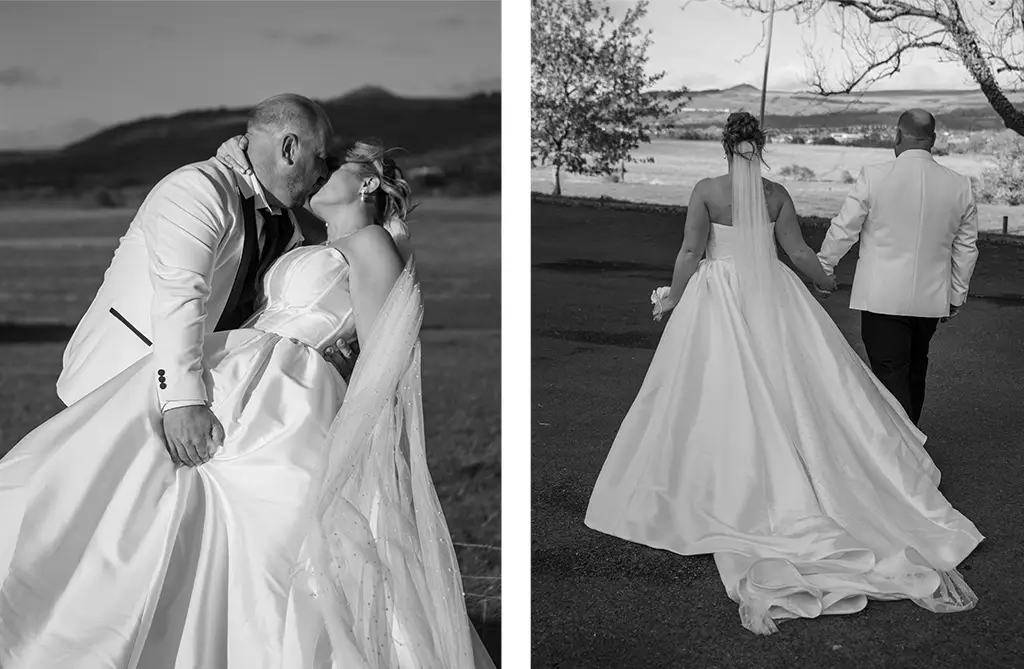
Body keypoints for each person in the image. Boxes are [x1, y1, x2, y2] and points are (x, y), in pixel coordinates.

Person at [0, 139, 494, 668]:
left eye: (333, 165)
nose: (319, 172)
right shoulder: (300, 241)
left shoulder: (373, 243)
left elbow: (383, 355)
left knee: (268, 531)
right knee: (125, 487)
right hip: (235, 365)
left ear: (368, 183)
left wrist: (365, 441)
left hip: (291, 394)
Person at [584, 111, 982, 635]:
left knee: (711, 387)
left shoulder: (706, 190)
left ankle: (724, 477)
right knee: (797, 383)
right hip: (773, 293)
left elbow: (690, 251)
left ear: (726, 147)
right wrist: (823, 281)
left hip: (716, 297)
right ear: (761, 147)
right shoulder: (775, 195)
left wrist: (674, 297)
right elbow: (796, 251)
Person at [55, 93, 354, 470]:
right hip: (117, 384)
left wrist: (322, 355)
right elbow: (180, 297)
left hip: (204, 399)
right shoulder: (198, 189)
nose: (324, 172)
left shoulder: (287, 226)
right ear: (289, 149)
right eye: (321, 157)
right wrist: (182, 402)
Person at [817, 108, 980, 425]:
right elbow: (965, 247)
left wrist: (824, 268)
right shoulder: (960, 185)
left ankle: (902, 447)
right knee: (916, 368)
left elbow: (845, 229)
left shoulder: (875, 176)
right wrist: (956, 294)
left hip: (882, 296)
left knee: (890, 373)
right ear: (933, 139)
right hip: (930, 297)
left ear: (897, 135)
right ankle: (910, 440)